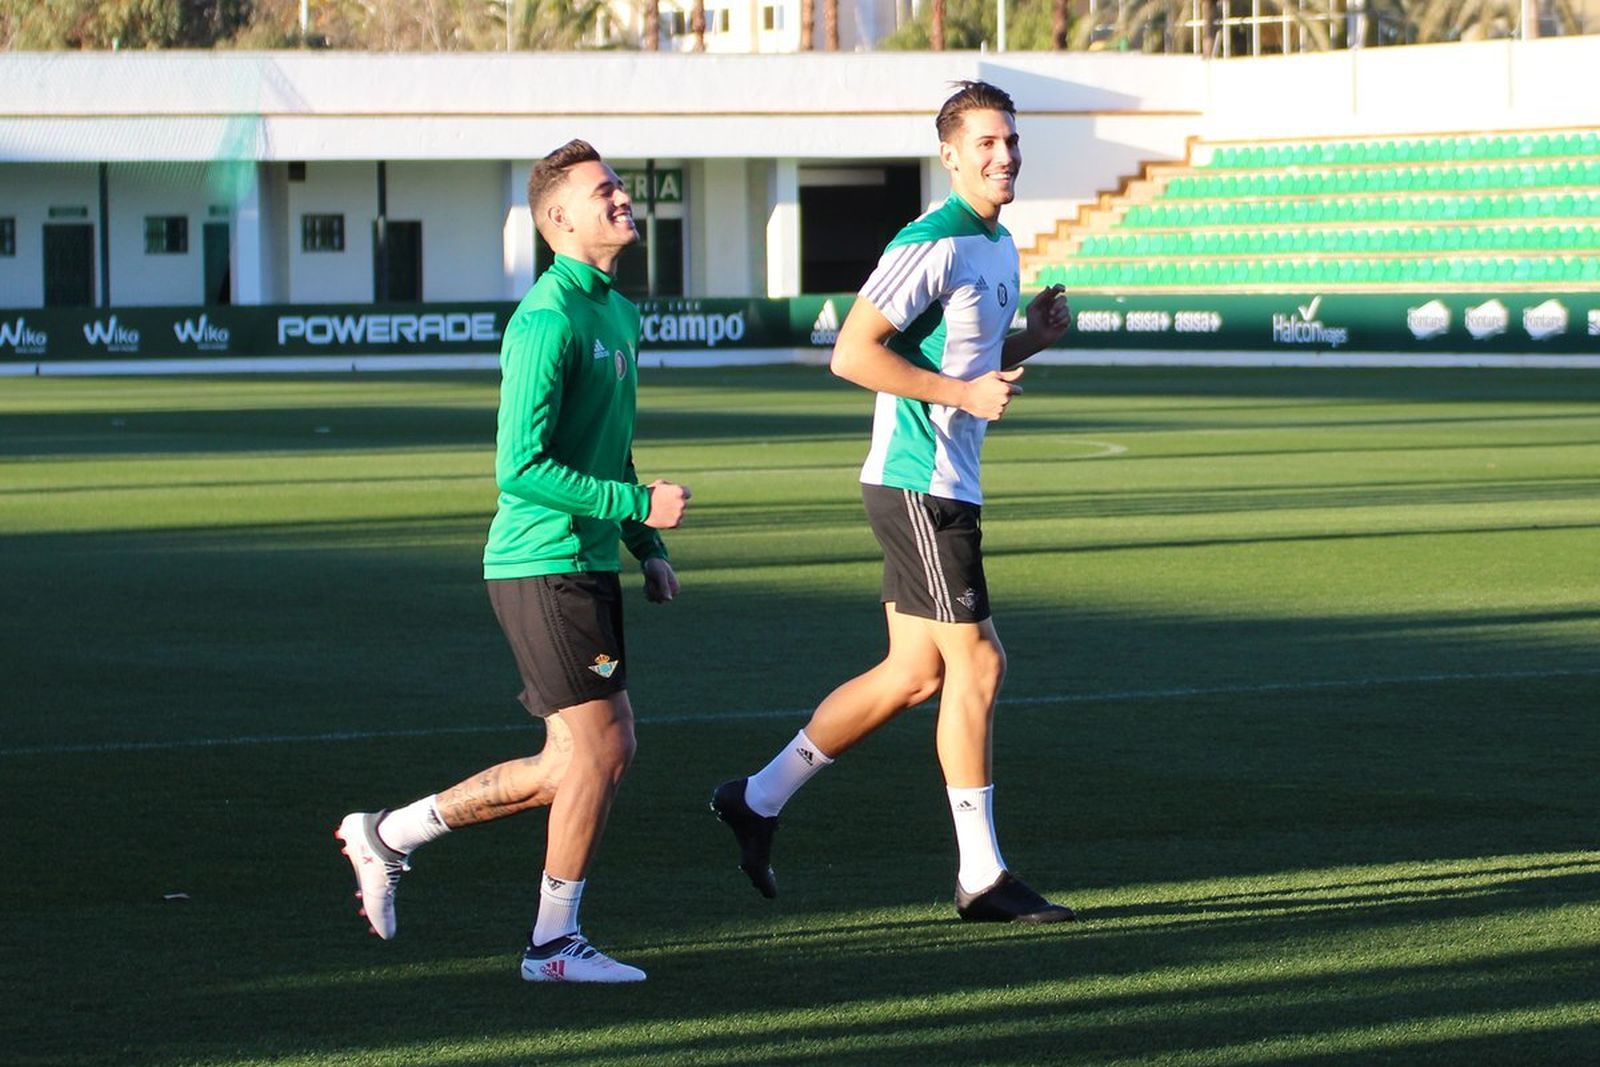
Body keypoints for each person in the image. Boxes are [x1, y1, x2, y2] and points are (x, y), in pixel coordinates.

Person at [711, 81, 1075, 923]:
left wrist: (1033, 341)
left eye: (1011, 141)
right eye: (985, 143)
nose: (1004, 155)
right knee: (978, 664)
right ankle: (981, 878)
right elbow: (850, 353)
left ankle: (757, 798)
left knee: (913, 674)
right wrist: (960, 392)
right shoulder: (932, 239)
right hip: (918, 479)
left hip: (943, 480)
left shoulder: (999, 243)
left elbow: (967, 355)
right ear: (949, 155)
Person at [337, 139, 691, 983]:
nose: (621, 200)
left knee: (572, 762)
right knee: (605, 748)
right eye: (602, 191)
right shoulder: (545, 319)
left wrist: (647, 545)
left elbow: (611, 447)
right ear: (559, 218)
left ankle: (387, 834)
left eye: (619, 188)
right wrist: (635, 509)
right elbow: (519, 468)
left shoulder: (615, 309)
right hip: (541, 563)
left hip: (585, 561)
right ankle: (551, 943)